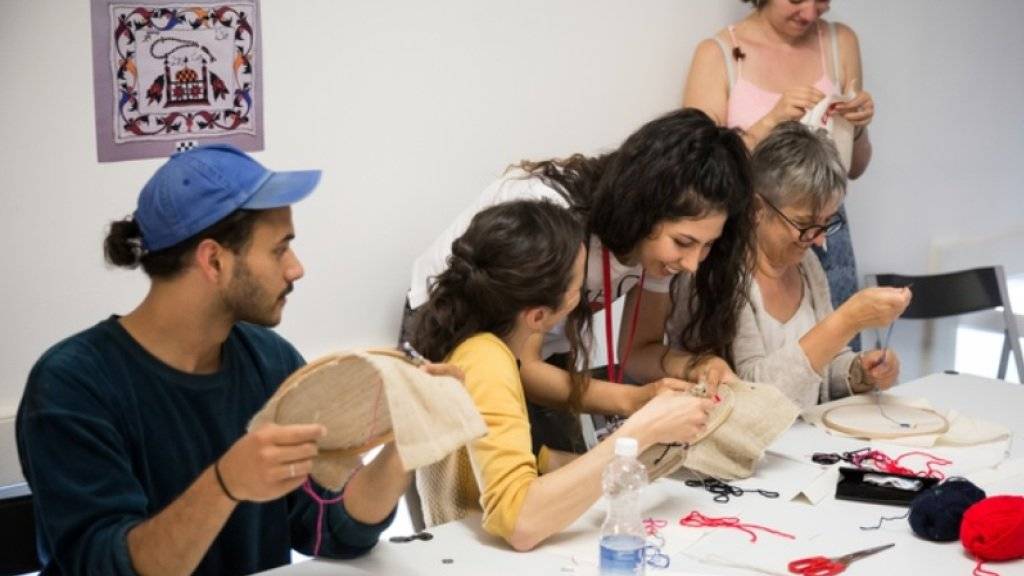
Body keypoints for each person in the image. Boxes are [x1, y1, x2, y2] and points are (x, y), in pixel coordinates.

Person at [16, 145, 451, 575]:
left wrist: (404, 448)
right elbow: (105, 567)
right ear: (214, 261)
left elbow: (325, 527)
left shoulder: (269, 359)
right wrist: (224, 484)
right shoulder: (72, 386)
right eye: (280, 249)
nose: (296, 269)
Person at [405, 108, 754, 457]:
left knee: (575, 478)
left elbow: (638, 352)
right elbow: (519, 365)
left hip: (533, 358)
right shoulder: (552, 217)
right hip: (452, 342)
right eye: (683, 242)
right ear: (643, 209)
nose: (692, 264)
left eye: (707, 245)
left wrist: (697, 367)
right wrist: (633, 401)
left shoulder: (656, 254)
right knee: (512, 490)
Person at [409, 199, 712, 550]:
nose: (584, 292)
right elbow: (520, 521)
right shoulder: (486, 360)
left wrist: (630, 464)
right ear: (538, 317)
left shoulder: (477, 346)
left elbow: (493, 458)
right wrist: (643, 432)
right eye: (578, 282)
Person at [682, 0, 874, 346]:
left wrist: (856, 128)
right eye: (798, 0)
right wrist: (770, 121)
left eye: (822, 2)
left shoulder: (840, 42)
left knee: (839, 353)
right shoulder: (717, 54)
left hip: (827, 232)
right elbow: (697, 167)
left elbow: (854, 168)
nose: (810, 13)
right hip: (751, 233)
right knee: (760, 359)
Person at [724, 123, 910, 410]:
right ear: (756, 209)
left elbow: (820, 371)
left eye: (826, 222)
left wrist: (859, 371)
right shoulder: (726, 275)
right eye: (804, 223)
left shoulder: (807, 266)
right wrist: (847, 321)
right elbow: (755, 395)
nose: (818, 238)